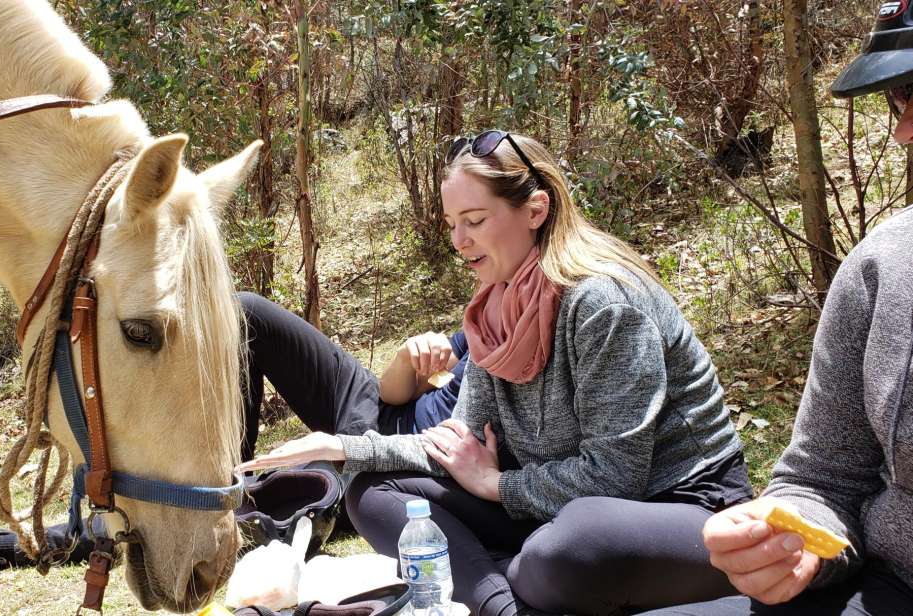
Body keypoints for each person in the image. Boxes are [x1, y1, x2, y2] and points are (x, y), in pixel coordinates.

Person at [238, 130, 752, 616]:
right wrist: (344, 448)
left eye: (475, 220)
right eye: (452, 224)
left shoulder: (604, 304)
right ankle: (506, 606)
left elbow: (616, 478)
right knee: (373, 490)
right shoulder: (496, 310)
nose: (459, 241)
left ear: (535, 209)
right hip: (553, 505)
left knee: (566, 550)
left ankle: (511, 580)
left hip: (678, 506)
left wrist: (495, 484)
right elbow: (454, 442)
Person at [639, 5, 913, 615]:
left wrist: (497, 482)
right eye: (900, 97)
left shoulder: (604, 304)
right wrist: (793, 541)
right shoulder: (882, 267)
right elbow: (824, 477)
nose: (903, 130)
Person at [0, 292, 470, 583]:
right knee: (244, 316)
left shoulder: (552, 331)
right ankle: (226, 483)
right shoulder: (490, 310)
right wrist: (406, 362)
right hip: (373, 405)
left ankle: (2, 548)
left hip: (401, 463)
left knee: (284, 498)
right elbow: (397, 394)